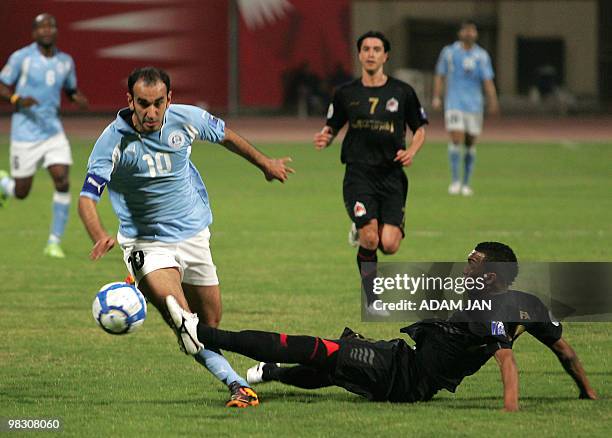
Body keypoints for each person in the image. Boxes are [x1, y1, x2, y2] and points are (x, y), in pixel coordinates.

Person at [78, 66, 294, 407]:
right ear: (130, 100)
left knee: (208, 326)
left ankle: (198, 339)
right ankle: (239, 385)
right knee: (185, 323)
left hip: (194, 236)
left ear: (169, 99)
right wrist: (99, 233)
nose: (151, 112)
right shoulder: (112, 141)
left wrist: (264, 163)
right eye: (143, 103)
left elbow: (226, 136)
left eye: (158, 103)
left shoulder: (186, 119)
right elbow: (87, 198)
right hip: (147, 244)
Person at [166, 242, 597, 411]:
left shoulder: (492, 306)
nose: (466, 265)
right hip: (404, 365)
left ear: (492, 275)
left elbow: (505, 358)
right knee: (333, 366)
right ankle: (272, 373)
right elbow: (566, 352)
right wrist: (588, 391)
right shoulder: (526, 305)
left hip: (404, 378)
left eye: (474, 262)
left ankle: (201, 334)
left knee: (317, 349)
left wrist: (510, 410)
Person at [313, 31, 428, 315]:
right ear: (360, 54)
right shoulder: (346, 93)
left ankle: (361, 225)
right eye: (366, 49)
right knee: (370, 238)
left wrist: (412, 150)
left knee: (389, 245)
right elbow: (332, 126)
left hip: (392, 176)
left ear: (386, 56)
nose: (371, 53)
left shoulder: (402, 92)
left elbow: (420, 129)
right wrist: (325, 138)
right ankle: (372, 299)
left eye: (377, 49)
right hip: (359, 173)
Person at [0, 13, 88, 258]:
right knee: (21, 192)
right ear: (34, 33)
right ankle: (4, 185)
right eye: (41, 27)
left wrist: (76, 98)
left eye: (51, 26)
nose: (47, 30)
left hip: (53, 132)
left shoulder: (65, 62)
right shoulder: (22, 58)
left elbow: (69, 90)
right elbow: (2, 84)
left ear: (56, 31)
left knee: (62, 179)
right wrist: (16, 99)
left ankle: (54, 242)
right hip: (25, 133)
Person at [432, 20, 499, 196]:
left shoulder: (482, 56)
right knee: (456, 138)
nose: (469, 33)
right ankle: (455, 181)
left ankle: (466, 183)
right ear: (460, 33)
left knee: (470, 143)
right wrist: (437, 96)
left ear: (475, 34)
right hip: (454, 103)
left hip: (474, 105)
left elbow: (487, 80)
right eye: (466, 30)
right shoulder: (449, 53)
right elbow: (440, 75)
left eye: (472, 30)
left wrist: (492, 99)